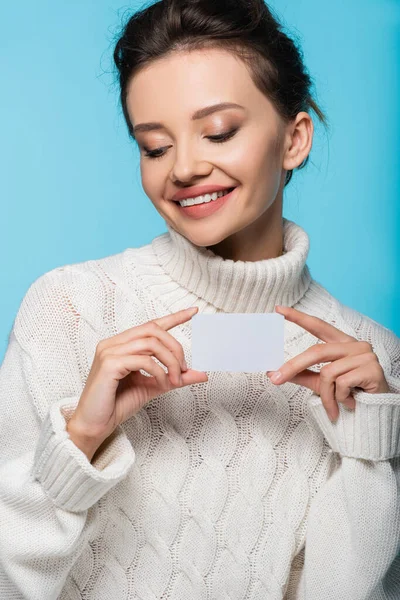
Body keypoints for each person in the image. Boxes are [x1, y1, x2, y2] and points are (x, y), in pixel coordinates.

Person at [1, 0, 399, 598]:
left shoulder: (375, 363)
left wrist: (370, 448)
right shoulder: (72, 307)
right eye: (155, 146)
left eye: (218, 132)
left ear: (294, 140)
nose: (184, 167)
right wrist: (79, 442)